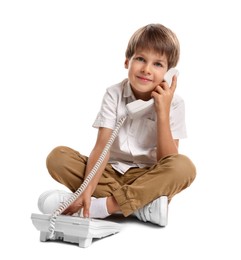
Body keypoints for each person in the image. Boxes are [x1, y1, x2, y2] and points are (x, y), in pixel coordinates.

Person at [38, 23, 196, 226]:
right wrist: (87, 188)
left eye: (158, 64)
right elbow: (102, 147)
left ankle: (102, 207)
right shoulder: (114, 94)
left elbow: (167, 161)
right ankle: (142, 206)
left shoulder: (175, 103)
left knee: (183, 166)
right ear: (127, 61)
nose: (146, 69)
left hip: (147, 176)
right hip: (110, 171)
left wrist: (162, 111)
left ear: (169, 74)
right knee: (58, 158)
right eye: (140, 59)